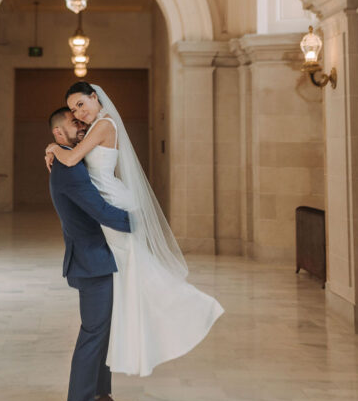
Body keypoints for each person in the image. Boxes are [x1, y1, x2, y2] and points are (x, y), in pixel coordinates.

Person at [46, 82, 224, 377]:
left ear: (95, 97)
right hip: (108, 199)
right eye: (74, 110)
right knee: (133, 276)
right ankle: (127, 346)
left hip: (113, 202)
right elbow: (75, 154)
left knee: (140, 274)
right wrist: (54, 145)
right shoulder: (93, 128)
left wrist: (53, 147)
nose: (79, 113)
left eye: (81, 104)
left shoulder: (104, 124)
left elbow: (73, 158)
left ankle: (192, 308)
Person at [48, 106, 138, 401]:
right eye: (75, 122)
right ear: (59, 133)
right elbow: (100, 210)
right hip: (90, 259)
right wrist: (144, 225)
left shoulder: (71, 158)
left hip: (99, 255)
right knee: (93, 332)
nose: (82, 123)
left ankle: (100, 395)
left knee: (103, 331)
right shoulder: (69, 168)